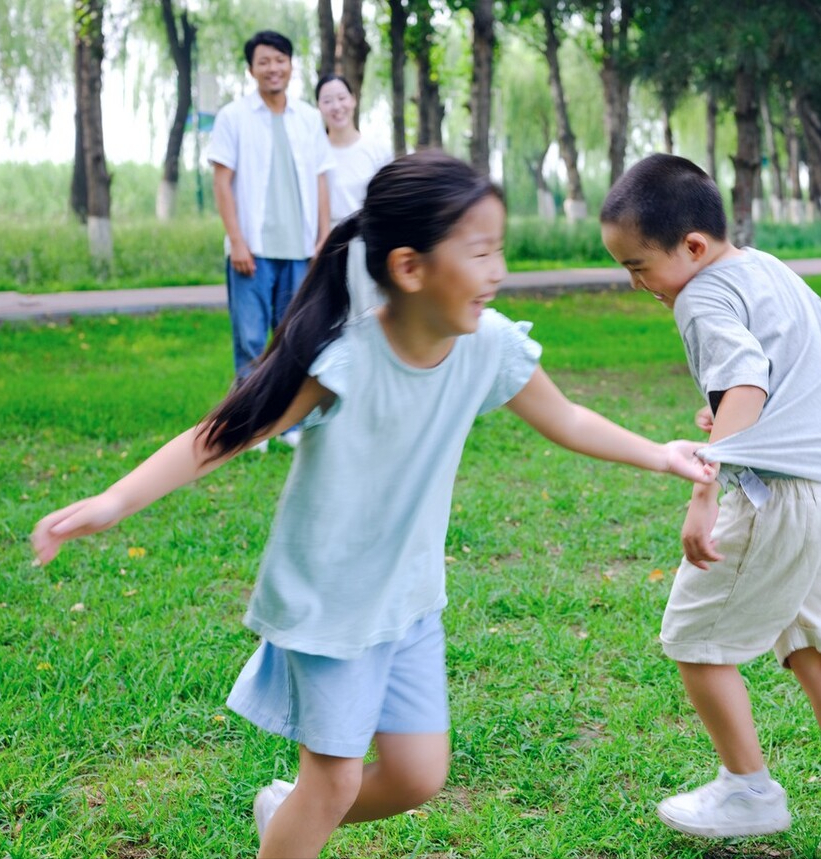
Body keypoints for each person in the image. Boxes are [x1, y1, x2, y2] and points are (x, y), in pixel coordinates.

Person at [31, 151, 716, 859]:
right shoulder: (347, 359)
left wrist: (660, 454)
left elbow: (567, 418)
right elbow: (224, 433)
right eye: (479, 251)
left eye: (499, 250)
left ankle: (287, 813)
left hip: (409, 599)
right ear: (410, 268)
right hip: (329, 606)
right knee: (328, 786)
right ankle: (299, 817)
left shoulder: (488, 344)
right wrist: (113, 501)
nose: (498, 271)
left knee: (419, 775)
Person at [599, 153, 821, 859]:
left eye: (640, 266)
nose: (636, 283)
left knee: (695, 638)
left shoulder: (700, 295)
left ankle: (748, 784)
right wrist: (750, 410)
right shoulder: (769, 268)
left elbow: (746, 382)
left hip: (781, 495)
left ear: (693, 248)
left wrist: (706, 486)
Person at [207, 30, 335, 450]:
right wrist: (237, 241)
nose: (273, 68)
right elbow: (222, 183)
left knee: (295, 338)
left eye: (280, 59)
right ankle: (247, 424)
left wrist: (323, 236)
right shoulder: (234, 117)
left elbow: (320, 179)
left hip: (300, 248)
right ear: (251, 69)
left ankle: (288, 424)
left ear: (291, 65)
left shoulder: (307, 118)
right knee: (249, 341)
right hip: (253, 251)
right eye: (264, 61)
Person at [315, 72, 393, 319]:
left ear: (353, 99)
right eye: (327, 100)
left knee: (374, 312)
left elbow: (388, 199)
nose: (336, 107)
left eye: (341, 98)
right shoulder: (314, 153)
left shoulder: (376, 150)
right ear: (318, 106)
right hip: (330, 245)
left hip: (369, 242)